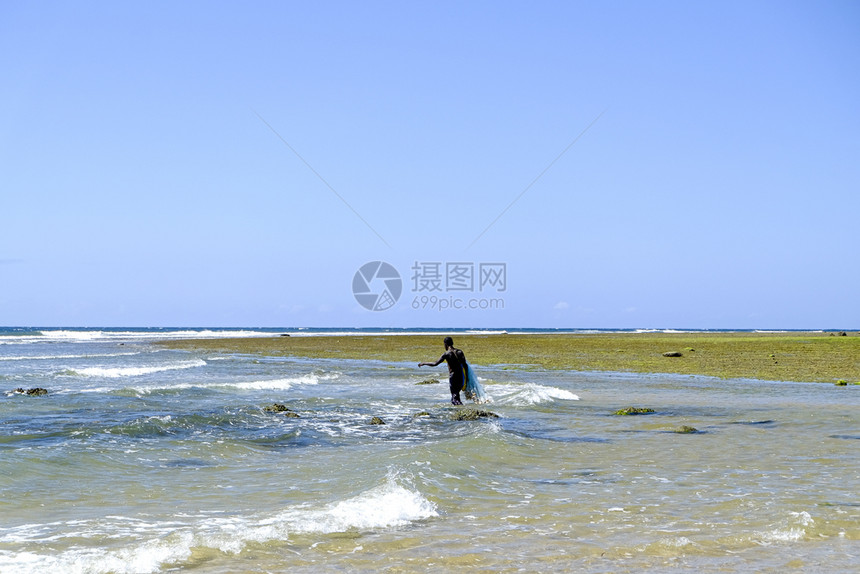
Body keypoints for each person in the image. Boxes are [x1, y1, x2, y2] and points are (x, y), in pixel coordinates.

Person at [418, 336, 467, 405]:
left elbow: (435, 363)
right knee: (456, 395)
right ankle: (458, 410)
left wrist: (423, 363)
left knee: (454, 398)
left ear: (445, 344)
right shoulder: (460, 352)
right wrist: (466, 378)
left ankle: (460, 410)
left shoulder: (446, 354)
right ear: (452, 343)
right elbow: (465, 365)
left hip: (453, 377)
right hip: (461, 377)